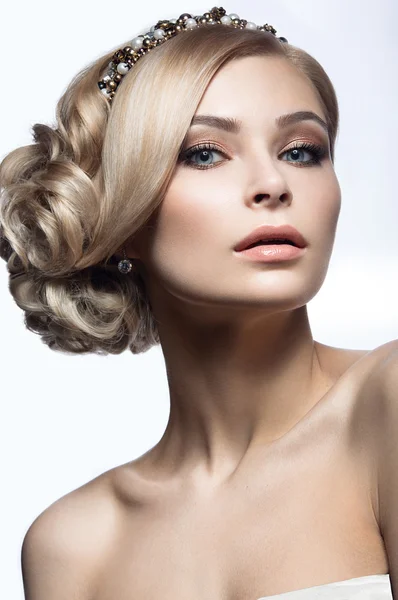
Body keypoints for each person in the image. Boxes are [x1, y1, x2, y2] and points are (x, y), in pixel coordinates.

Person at [0, 7, 396, 600]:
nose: (273, 183)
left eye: (302, 150)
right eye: (205, 153)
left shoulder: (385, 409)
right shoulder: (72, 547)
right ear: (122, 217)